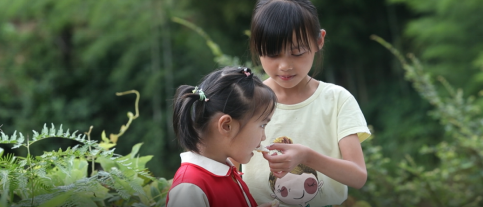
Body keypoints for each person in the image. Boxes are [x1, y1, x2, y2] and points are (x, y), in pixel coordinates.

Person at [241, 0, 372, 206]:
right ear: (257, 47)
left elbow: (357, 176)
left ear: (319, 40)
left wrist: (307, 157)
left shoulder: (337, 100)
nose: (285, 65)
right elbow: (225, 168)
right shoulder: (246, 100)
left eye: (297, 53)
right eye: (273, 54)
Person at [166, 66, 279, 207]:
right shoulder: (190, 188)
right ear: (226, 125)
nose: (263, 137)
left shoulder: (227, 172)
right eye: (262, 125)